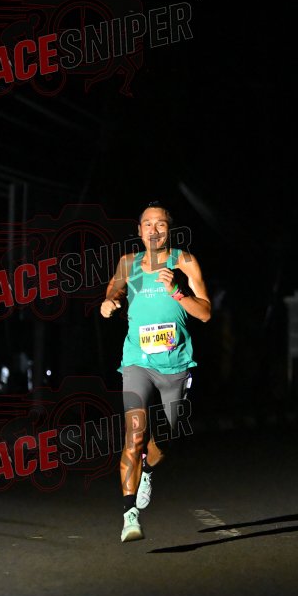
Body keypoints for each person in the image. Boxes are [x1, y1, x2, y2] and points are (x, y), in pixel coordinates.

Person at [101, 201, 211, 542]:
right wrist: (110, 301)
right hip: (137, 361)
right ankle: (129, 515)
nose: (154, 230)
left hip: (175, 365)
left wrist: (176, 291)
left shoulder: (184, 261)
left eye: (160, 224)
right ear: (139, 230)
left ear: (169, 230)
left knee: (165, 439)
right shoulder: (128, 263)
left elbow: (205, 313)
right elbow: (114, 288)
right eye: (147, 224)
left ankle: (147, 469)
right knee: (134, 436)